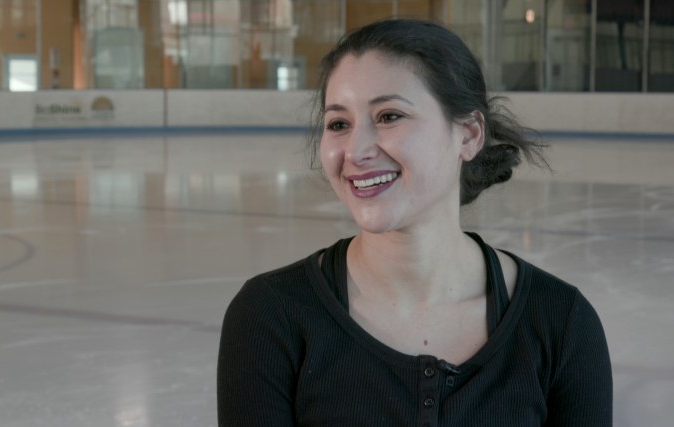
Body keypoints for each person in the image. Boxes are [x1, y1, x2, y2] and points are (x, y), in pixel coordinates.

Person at [217, 18, 612, 426]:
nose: (356, 151)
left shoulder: (561, 323)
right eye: (339, 124)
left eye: (389, 116)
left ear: (470, 134)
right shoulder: (271, 316)